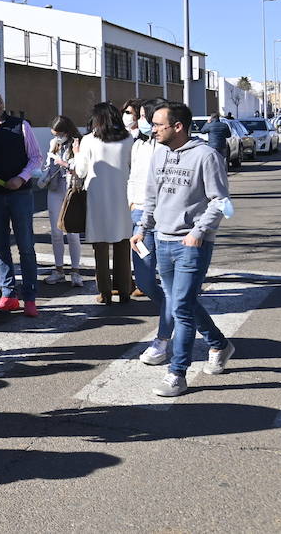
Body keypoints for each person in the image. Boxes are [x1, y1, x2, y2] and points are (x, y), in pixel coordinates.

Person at [136, 101, 235, 397]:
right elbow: (151, 196)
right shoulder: (159, 153)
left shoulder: (206, 155)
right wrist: (142, 228)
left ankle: (177, 372)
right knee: (184, 303)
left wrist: (199, 232)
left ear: (177, 126)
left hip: (192, 244)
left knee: (180, 306)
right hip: (162, 239)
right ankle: (219, 344)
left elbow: (221, 202)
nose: (152, 130)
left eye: (158, 125)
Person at [0, 89, 44, 316]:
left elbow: (36, 157)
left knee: (26, 246)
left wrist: (21, 178)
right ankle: (8, 294)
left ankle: (30, 296)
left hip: (20, 194)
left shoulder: (21, 126)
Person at [73, 102, 135, 305]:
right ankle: (125, 290)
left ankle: (105, 293)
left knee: (100, 247)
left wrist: (76, 154)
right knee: (123, 244)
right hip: (123, 196)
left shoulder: (89, 140)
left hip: (97, 197)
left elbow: (80, 171)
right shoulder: (128, 139)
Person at [129, 97, 174, 366]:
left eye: (148, 117)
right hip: (139, 216)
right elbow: (133, 177)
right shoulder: (139, 145)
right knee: (144, 280)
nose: (144, 122)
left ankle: (163, 338)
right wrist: (131, 204)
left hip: (165, 220)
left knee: (169, 285)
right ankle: (175, 312)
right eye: (143, 117)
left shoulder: (170, 148)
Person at [40, 116, 83, 286]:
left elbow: (81, 167)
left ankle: (76, 271)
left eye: (59, 134)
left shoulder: (77, 144)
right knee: (56, 232)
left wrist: (63, 163)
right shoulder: (53, 144)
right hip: (55, 189)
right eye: (54, 134)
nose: (57, 137)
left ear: (67, 132)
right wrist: (47, 168)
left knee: (73, 233)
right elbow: (47, 165)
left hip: (71, 190)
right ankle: (58, 270)